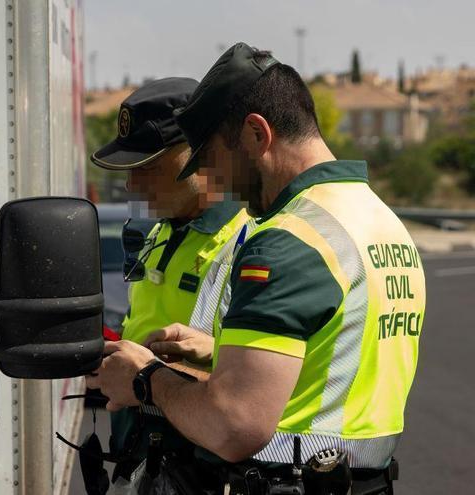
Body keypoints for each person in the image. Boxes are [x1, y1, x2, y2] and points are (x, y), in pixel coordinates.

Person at [87, 43, 425, 494]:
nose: (214, 180)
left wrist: (145, 379)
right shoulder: (379, 220)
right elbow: (335, 362)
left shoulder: (288, 241)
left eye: (212, 160)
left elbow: (233, 425)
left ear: (256, 134)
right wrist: (221, 351)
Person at [89, 77, 251, 481]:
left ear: (201, 151)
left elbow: (258, 399)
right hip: (142, 465)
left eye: (147, 167)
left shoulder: (254, 244)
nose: (132, 184)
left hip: (204, 475)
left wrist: (143, 378)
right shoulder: (162, 232)